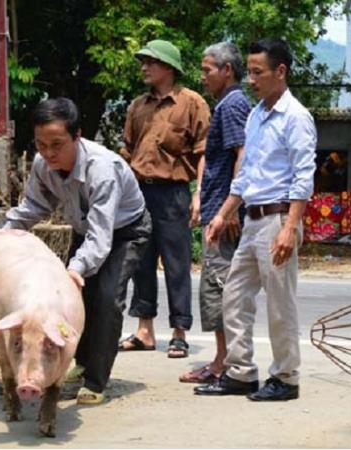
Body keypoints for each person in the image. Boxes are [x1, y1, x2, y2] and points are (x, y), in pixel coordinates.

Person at [4, 98, 152, 405]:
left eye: (57, 144)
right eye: (41, 144)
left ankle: (96, 381)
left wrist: (75, 268)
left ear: (77, 136)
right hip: (86, 231)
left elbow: (101, 236)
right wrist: (1, 238)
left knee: (107, 298)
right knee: (76, 300)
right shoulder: (43, 165)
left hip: (126, 231)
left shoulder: (102, 169)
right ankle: (80, 362)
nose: (48, 153)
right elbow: (33, 207)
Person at [194, 38, 316, 401]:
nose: (251, 80)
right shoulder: (257, 115)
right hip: (252, 220)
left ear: (281, 72)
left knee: (280, 303)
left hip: (279, 219)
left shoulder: (296, 118)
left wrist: (290, 229)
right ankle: (241, 372)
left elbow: (303, 177)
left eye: (258, 72)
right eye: (249, 72)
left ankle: (286, 378)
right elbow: (245, 175)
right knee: (233, 295)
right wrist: (222, 214)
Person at [118, 39, 210, 358]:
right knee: (141, 262)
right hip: (138, 193)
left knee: (176, 264)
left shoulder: (192, 103)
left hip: (173, 194)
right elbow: (126, 150)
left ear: (168, 68)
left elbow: (204, 153)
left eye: (151, 62)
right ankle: (145, 331)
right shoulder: (137, 106)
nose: (144, 67)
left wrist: (200, 194)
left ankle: (179, 332)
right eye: (143, 61)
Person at [178, 42, 251, 384]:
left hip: (225, 213)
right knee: (215, 287)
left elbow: (242, 154)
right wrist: (200, 196)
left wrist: (230, 208)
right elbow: (213, 156)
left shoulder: (234, 104)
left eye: (208, 70)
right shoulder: (223, 104)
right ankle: (221, 359)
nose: (202, 76)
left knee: (219, 288)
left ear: (227, 70)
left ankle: (224, 363)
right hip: (217, 208)